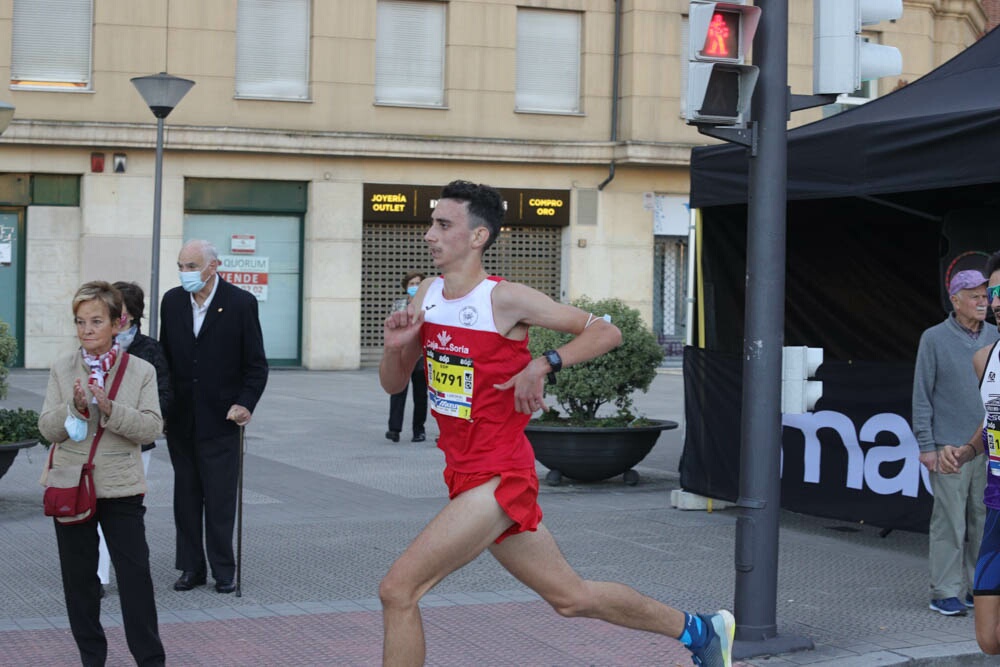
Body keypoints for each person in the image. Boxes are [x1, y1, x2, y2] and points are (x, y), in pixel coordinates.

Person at [378, 180, 733, 667]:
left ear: (478, 236)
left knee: (399, 590)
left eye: (443, 225)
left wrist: (543, 363)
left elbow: (604, 331)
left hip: (501, 476)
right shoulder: (426, 292)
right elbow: (394, 386)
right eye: (431, 224)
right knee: (571, 598)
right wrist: (395, 349)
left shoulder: (506, 299)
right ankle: (701, 631)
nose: (428, 236)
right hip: (462, 473)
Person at [37, 281, 165, 666]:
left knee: (135, 578)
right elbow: (47, 428)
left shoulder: (140, 370)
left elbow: (152, 427)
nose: (87, 329)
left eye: (96, 321)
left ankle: (150, 659)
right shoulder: (62, 369)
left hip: (121, 488)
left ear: (116, 322)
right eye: (80, 321)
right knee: (80, 583)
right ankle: (92, 659)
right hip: (71, 484)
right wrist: (74, 409)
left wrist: (110, 409)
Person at [159, 239, 268, 594]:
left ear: (213, 266)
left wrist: (245, 403)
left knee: (219, 499)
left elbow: (255, 365)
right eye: (181, 265)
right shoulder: (173, 302)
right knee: (186, 497)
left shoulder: (239, 304)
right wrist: (161, 405)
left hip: (222, 419)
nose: (184, 273)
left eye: (191, 266)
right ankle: (191, 568)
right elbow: (166, 361)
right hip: (181, 420)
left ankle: (224, 569)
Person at [913, 269, 999, 616]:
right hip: (949, 446)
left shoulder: (995, 336)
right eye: (975, 296)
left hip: (989, 446)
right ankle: (944, 590)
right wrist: (926, 446)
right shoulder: (933, 338)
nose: (984, 302)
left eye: (985, 295)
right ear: (955, 300)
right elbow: (922, 395)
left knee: (985, 520)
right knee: (950, 520)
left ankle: (981, 589)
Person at [93, 281, 172, 598]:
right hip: (97, 444)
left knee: (126, 511)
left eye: (118, 310)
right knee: (96, 507)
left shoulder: (149, 350)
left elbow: (164, 397)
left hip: (135, 445)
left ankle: (131, 573)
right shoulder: (93, 346)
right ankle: (98, 576)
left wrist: (135, 419)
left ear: (131, 315)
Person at [941, 251, 1000, 655]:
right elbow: (992, 421)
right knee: (989, 639)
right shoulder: (985, 359)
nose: (995, 300)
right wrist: (966, 451)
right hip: (997, 505)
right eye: (993, 291)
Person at [386, 270, 428, 443]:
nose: (415, 287)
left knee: (421, 395)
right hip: (402, 356)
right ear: (406, 287)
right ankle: (394, 429)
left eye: (418, 283)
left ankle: (419, 430)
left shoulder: (428, 304)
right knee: (397, 392)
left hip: (420, 356)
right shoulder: (399, 305)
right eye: (411, 284)